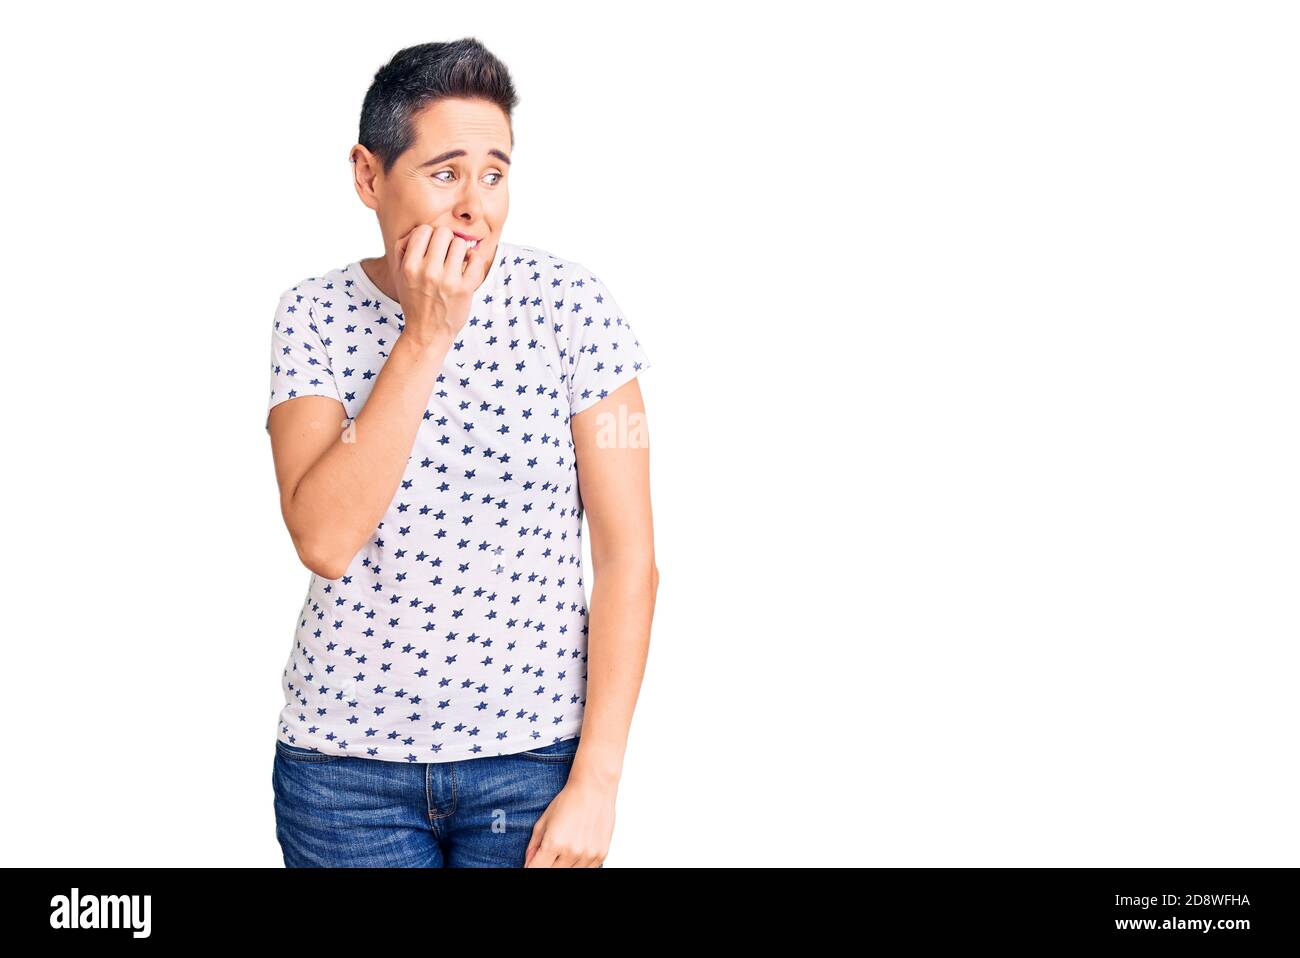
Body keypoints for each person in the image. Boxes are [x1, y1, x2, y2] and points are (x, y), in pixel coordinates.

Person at [264, 38, 658, 867]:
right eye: (445, 173)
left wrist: (597, 782)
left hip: (533, 767)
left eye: (495, 171)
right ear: (370, 177)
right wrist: (426, 334)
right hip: (344, 779)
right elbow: (326, 540)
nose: (476, 205)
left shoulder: (573, 310)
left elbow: (630, 561)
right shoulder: (311, 317)